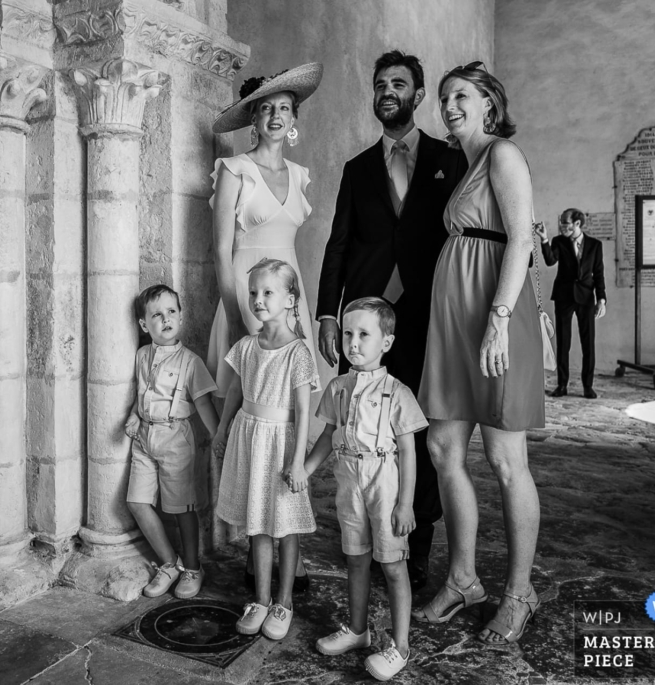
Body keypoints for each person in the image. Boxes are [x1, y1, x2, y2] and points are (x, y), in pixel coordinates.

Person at [317, 50, 468, 592]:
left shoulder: (450, 159)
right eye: (380, 83)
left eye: (398, 84)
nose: (387, 91)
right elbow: (338, 244)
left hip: (430, 316)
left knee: (418, 430)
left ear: (417, 95)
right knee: (361, 427)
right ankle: (361, 533)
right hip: (365, 321)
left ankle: (415, 544)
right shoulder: (357, 168)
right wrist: (328, 313)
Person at [413, 63, 543, 645]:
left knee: (505, 457)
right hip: (454, 323)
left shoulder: (502, 154)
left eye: (461, 95)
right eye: (444, 98)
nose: (449, 105)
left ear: (489, 103)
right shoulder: (463, 164)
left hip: (494, 316)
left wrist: (499, 320)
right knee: (443, 447)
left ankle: (520, 592)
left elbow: (521, 237)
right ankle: (463, 579)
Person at [208, 61, 323, 592]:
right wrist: (238, 316)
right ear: (252, 119)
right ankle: (250, 541)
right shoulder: (235, 170)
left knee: (289, 420)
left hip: (290, 303)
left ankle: (289, 545)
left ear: (293, 118)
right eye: (265, 108)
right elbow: (221, 250)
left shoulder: (299, 176)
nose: (275, 115)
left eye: (284, 108)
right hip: (245, 298)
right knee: (247, 416)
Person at [305, 297, 427, 681]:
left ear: (386, 342)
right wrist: (305, 469)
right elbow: (328, 434)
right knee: (355, 557)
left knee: (392, 564)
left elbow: (409, 452)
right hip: (348, 480)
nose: (353, 343)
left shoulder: (397, 392)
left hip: (384, 483)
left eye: (363, 334)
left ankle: (400, 646)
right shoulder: (338, 387)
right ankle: (358, 630)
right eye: (347, 334)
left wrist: (406, 504)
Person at [213, 258, 318, 641]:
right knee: (256, 522)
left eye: (268, 292)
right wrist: (222, 429)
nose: (258, 299)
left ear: (290, 299)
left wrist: (298, 461)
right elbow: (234, 392)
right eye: (254, 292)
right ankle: (260, 599)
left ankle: (284, 602)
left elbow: (303, 411)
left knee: (285, 525)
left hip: (280, 444)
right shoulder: (246, 346)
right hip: (249, 438)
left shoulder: (298, 353)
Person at [125, 284, 220, 599]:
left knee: (182, 508)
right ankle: (170, 563)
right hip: (144, 438)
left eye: (171, 311)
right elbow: (143, 392)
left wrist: (219, 437)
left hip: (175, 437)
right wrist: (134, 415)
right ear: (144, 325)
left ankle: (192, 567)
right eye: (157, 315)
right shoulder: (142, 355)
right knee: (136, 502)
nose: (166, 319)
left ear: (180, 316)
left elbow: (203, 403)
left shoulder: (190, 362)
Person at [537, 209, 607, 398]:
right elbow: (550, 261)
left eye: (565, 223)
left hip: (586, 298)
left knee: (588, 344)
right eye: (561, 222)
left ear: (577, 223)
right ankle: (562, 385)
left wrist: (601, 299)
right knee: (563, 343)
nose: (562, 226)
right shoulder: (558, 241)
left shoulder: (595, 245)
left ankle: (588, 386)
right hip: (564, 297)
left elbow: (599, 274)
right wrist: (544, 239)